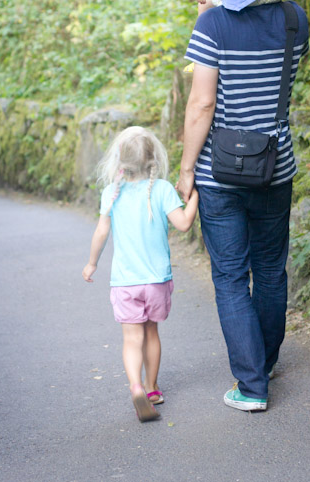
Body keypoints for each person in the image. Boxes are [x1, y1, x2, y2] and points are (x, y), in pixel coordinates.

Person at [177, 2, 309, 412]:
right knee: (270, 269)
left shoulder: (213, 23)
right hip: (275, 166)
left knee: (232, 276)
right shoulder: (294, 19)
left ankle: (252, 385)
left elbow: (202, 104)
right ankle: (264, 365)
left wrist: (185, 169)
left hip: (221, 173)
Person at [82, 126, 198, 422]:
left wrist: (92, 263)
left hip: (125, 282)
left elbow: (101, 231)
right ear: (153, 160)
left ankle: (135, 385)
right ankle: (151, 388)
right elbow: (183, 224)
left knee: (131, 338)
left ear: (120, 161)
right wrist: (194, 195)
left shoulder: (112, 192)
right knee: (151, 333)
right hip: (156, 281)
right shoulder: (161, 190)